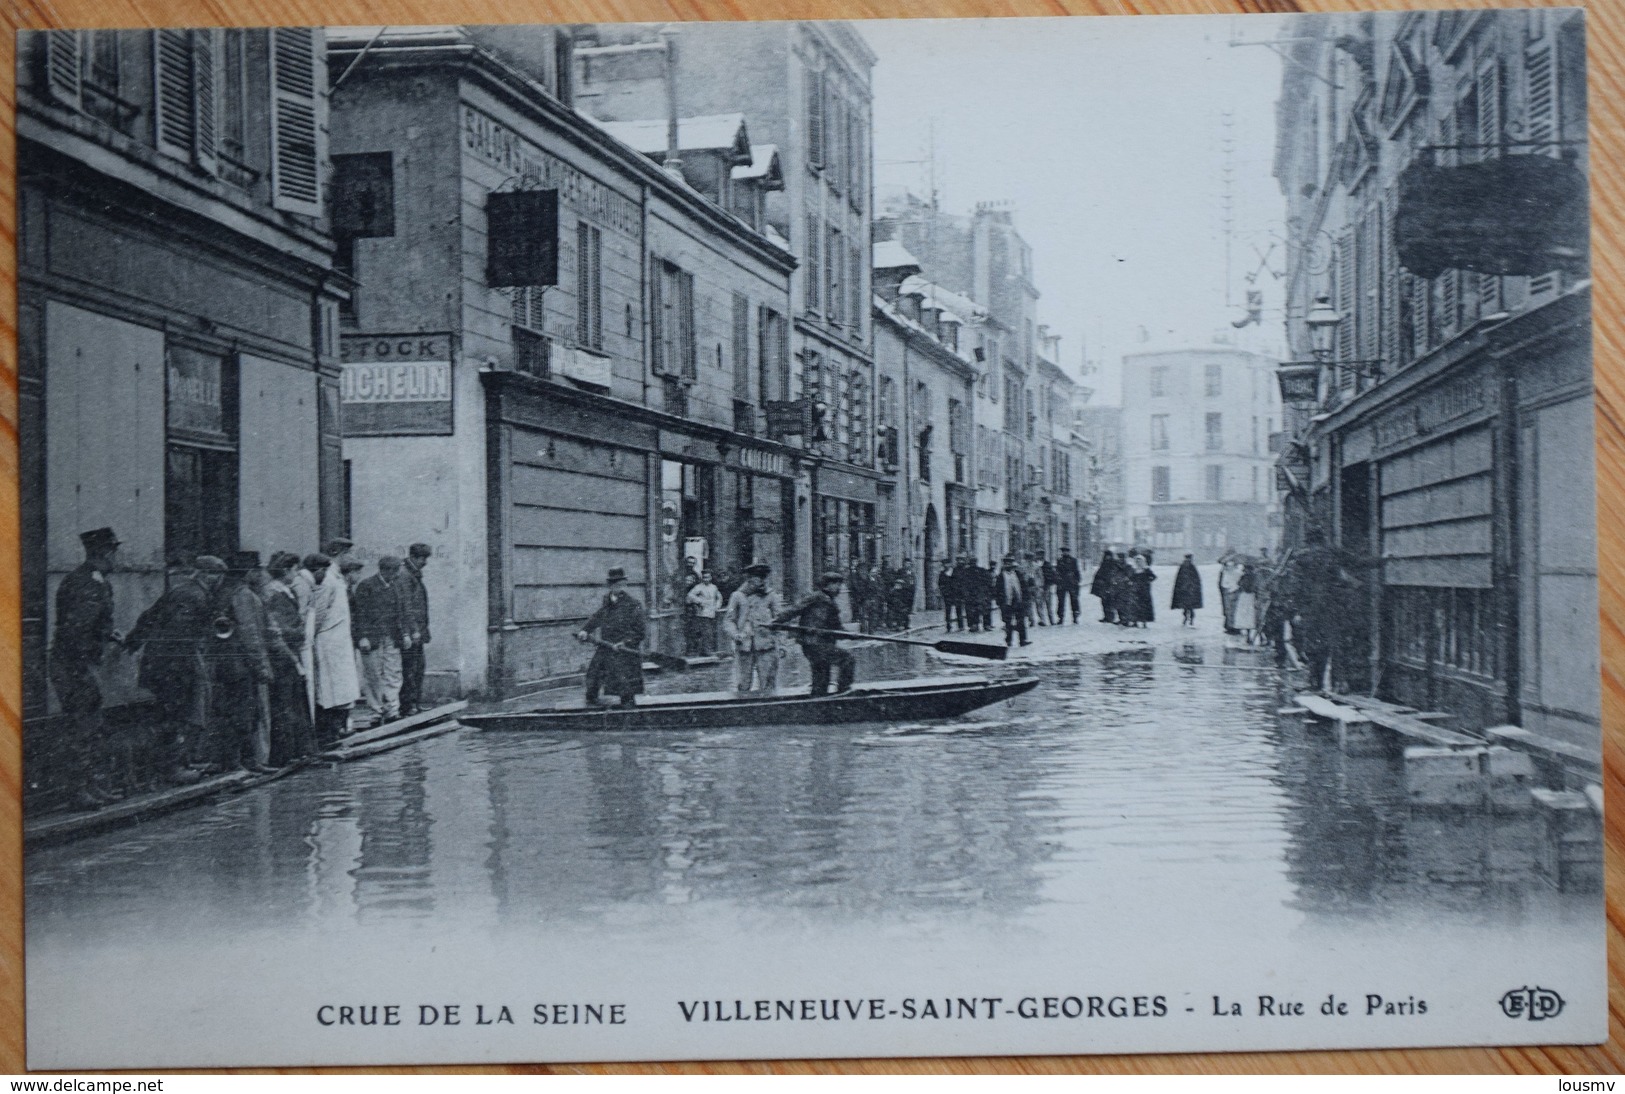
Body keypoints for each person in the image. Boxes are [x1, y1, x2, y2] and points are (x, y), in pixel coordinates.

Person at [126, 553, 221, 784]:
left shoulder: (183, 591)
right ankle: (173, 768)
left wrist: (133, 641)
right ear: (204, 575)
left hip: (166, 663)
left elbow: (148, 617)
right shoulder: (193, 595)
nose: (218, 580)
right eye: (216, 574)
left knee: (177, 713)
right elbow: (179, 633)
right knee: (177, 715)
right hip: (174, 666)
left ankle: (182, 762)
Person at [49, 527, 126, 807]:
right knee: (81, 727)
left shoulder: (91, 580)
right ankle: (78, 791)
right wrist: (86, 663)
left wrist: (107, 634)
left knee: (90, 726)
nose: (118, 559)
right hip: (74, 665)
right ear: (107, 553)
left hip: (74, 663)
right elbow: (78, 629)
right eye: (115, 552)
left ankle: (91, 787)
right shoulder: (89, 583)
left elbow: (89, 623)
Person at [210, 551, 275, 774]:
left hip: (224, 662)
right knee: (244, 712)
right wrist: (261, 667)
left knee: (231, 711)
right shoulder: (244, 595)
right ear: (249, 573)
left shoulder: (223, 591)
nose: (261, 574)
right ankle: (243, 761)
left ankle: (237, 760)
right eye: (258, 570)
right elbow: (250, 634)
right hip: (240, 663)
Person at [261, 554, 316, 766]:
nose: (296, 574)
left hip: (290, 653)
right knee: (285, 704)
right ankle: (284, 754)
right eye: (294, 570)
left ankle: (295, 751)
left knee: (293, 703)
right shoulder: (274, 594)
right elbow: (278, 629)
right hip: (283, 656)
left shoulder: (285, 591)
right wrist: (297, 632)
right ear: (286, 571)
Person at [306, 553, 360, 749]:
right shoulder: (329, 582)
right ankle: (326, 733)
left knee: (341, 689)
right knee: (329, 690)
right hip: (328, 642)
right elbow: (318, 613)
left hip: (339, 642)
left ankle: (337, 729)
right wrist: (314, 635)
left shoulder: (339, 583)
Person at [775, 571, 857, 695]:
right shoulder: (815, 597)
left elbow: (836, 627)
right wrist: (777, 621)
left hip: (820, 644)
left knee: (822, 675)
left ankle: (818, 699)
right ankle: (844, 691)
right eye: (836, 584)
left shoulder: (831, 603)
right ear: (827, 585)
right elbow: (795, 609)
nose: (839, 588)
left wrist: (849, 635)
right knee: (847, 659)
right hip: (813, 643)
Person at [575, 567, 646, 706]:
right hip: (606, 646)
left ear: (624, 584)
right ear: (609, 585)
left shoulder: (633, 604)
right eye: (614, 584)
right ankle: (591, 706)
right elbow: (598, 617)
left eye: (620, 584)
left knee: (625, 685)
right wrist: (585, 630)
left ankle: (629, 713)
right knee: (594, 675)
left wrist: (625, 642)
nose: (617, 587)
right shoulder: (607, 601)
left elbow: (640, 631)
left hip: (623, 650)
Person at [354, 556, 411, 723]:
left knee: (393, 672)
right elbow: (360, 614)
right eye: (397, 570)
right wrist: (363, 637)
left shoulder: (397, 586)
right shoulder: (366, 586)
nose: (399, 574)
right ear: (387, 570)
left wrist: (405, 634)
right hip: (372, 638)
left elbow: (402, 612)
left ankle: (392, 709)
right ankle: (377, 710)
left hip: (392, 637)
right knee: (373, 674)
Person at [722, 562, 783, 693]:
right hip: (744, 645)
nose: (760, 580)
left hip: (766, 645)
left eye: (762, 577)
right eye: (757, 577)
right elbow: (728, 620)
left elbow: (780, 621)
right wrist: (735, 634)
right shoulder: (737, 596)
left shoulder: (771, 595)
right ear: (749, 578)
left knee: (768, 684)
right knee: (743, 684)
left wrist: (781, 644)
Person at [399, 543, 433, 716]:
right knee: (410, 668)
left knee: (418, 667)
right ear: (413, 557)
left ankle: (415, 703)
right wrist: (412, 630)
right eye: (422, 558)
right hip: (412, 632)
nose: (425, 562)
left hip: (418, 630)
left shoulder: (413, 574)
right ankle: (408, 705)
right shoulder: (405, 575)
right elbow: (406, 606)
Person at [994, 555, 1030, 647]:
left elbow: (1024, 587)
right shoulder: (1001, 576)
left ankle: (1022, 640)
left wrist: (1026, 599)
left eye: (1010, 562)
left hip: (1018, 601)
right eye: (1006, 563)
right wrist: (1000, 602)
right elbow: (997, 590)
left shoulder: (1018, 574)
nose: (1008, 564)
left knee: (1021, 621)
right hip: (1007, 602)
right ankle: (1008, 640)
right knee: (1008, 623)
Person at [685, 570, 723, 656]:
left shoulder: (714, 587)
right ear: (702, 578)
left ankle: (708, 650)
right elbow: (690, 595)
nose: (706, 579)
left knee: (710, 632)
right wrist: (699, 601)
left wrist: (717, 606)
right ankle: (705, 651)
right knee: (705, 632)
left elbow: (719, 597)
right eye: (704, 577)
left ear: (711, 578)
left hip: (711, 612)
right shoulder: (699, 587)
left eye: (708, 577)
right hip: (702, 612)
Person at [1171, 553, 1203, 627]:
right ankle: (1187, 618)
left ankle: (1189, 619)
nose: (1187, 560)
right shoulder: (1185, 567)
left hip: (1189, 590)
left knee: (1188, 606)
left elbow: (1196, 579)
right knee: (1187, 606)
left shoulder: (1189, 567)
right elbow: (1179, 579)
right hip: (1186, 590)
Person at [1218, 551, 1244, 635]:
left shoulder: (1227, 571)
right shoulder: (1238, 571)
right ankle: (1234, 626)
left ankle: (1231, 626)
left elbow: (1223, 582)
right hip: (1235, 590)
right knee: (1234, 610)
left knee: (1229, 610)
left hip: (1228, 590)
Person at [1054, 546, 1082, 624]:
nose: (1064, 553)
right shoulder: (1059, 561)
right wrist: (1058, 581)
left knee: (1074, 601)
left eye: (1066, 551)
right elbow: (1057, 572)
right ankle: (1061, 617)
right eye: (1063, 551)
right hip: (1062, 584)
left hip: (1071, 583)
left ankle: (1075, 617)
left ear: (1068, 552)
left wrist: (1077, 581)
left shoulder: (1073, 561)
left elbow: (1077, 571)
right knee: (1061, 602)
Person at [1234, 562, 1258, 643]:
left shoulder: (1253, 577)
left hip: (1249, 597)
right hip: (1246, 597)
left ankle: (1250, 634)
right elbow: (1239, 584)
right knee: (1247, 615)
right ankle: (1248, 634)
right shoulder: (1246, 577)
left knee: (1249, 615)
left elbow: (1253, 587)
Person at [938, 558, 961, 632]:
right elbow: (940, 584)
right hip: (947, 595)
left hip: (956, 594)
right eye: (944, 564)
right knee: (948, 611)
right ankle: (948, 626)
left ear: (950, 564)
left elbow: (959, 583)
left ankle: (960, 626)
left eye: (947, 564)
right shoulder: (942, 573)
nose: (945, 565)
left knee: (958, 609)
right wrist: (943, 592)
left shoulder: (956, 572)